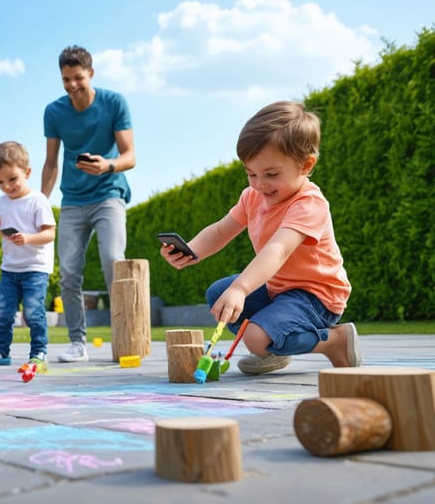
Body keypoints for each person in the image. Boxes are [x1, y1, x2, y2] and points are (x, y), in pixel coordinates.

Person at [160, 101, 361, 375]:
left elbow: (277, 250)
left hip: (316, 296)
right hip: (278, 287)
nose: (259, 184)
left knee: (254, 336)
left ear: (306, 165)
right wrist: (191, 250)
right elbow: (222, 229)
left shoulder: (308, 204)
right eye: (251, 173)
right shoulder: (253, 196)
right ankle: (273, 348)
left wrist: (241, 289)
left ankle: (334, 341)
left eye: (271, 174)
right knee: (218, 294)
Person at [41, 45, 136, 363]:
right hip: (73, 200)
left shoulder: (114, 102)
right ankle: (76, 343)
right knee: (68, 272)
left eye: (78, 78)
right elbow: (51, 163)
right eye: (66, 79)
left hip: (109, 194)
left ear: (90, 74)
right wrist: (40, 203)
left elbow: (129, 156)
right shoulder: (54, 112)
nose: (72, 85)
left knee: (113, 260)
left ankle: (124, 338)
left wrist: (106, 165)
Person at [0, 141, 56, 370]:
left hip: (35, 268)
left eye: (12, 179)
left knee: (33, 313)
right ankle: (1, 351)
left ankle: (39, 353)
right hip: (9, 269)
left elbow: (50, 233)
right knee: (3, 313)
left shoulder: (38, 200)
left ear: (27, 172)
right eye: (0, 182)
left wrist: (28, 238)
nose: (6, 186)